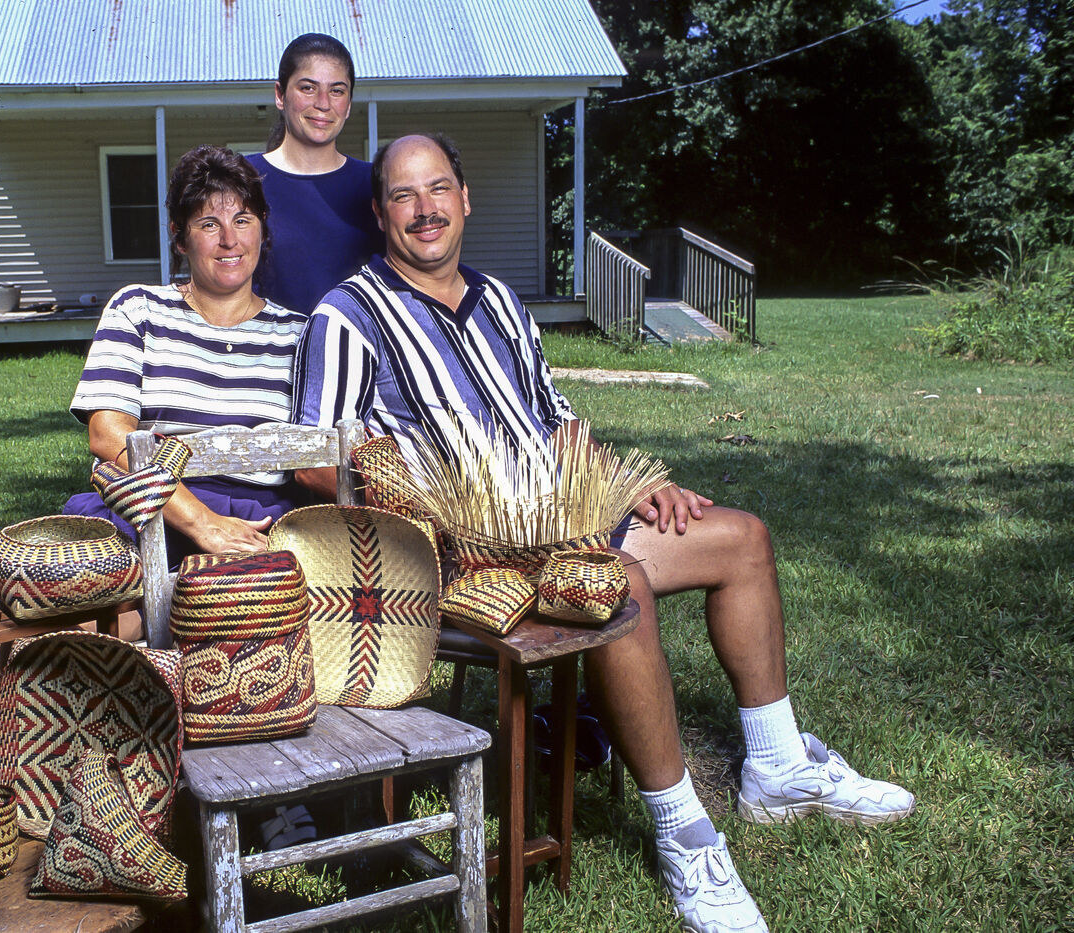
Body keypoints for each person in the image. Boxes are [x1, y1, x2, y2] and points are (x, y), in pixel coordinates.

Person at [290, 134, 916, 933]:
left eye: (438, 187)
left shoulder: (502, 303)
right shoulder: (347, 315)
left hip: (562, 520)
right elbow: (317, 459)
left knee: (741, 538)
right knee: (621, 583)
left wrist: (630, 480)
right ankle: (684, 830)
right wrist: (414, 492)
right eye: (405, 196)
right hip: (459, 554)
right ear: (380, 212)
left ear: (465, 197)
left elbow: (556, 426)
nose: (425, 209)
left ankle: (779, 765)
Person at [64, 145, 308, 563]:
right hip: (151, 509)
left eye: (242, 220)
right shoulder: (137, 310)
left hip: (261, 523)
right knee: (114, 615)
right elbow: (107, 436)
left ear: (262, 228)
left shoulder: (300, 334)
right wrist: (202, 523)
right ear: (180, 237)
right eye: (209, 224)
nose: (229, 239)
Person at [246, 33, 384, 315]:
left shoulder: (376, 185)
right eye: (308, 88)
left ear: (348, 103)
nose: (323, 103)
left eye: (337, 90)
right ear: (280, 95)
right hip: (265, 354)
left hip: (356, 353)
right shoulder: (243, 179)